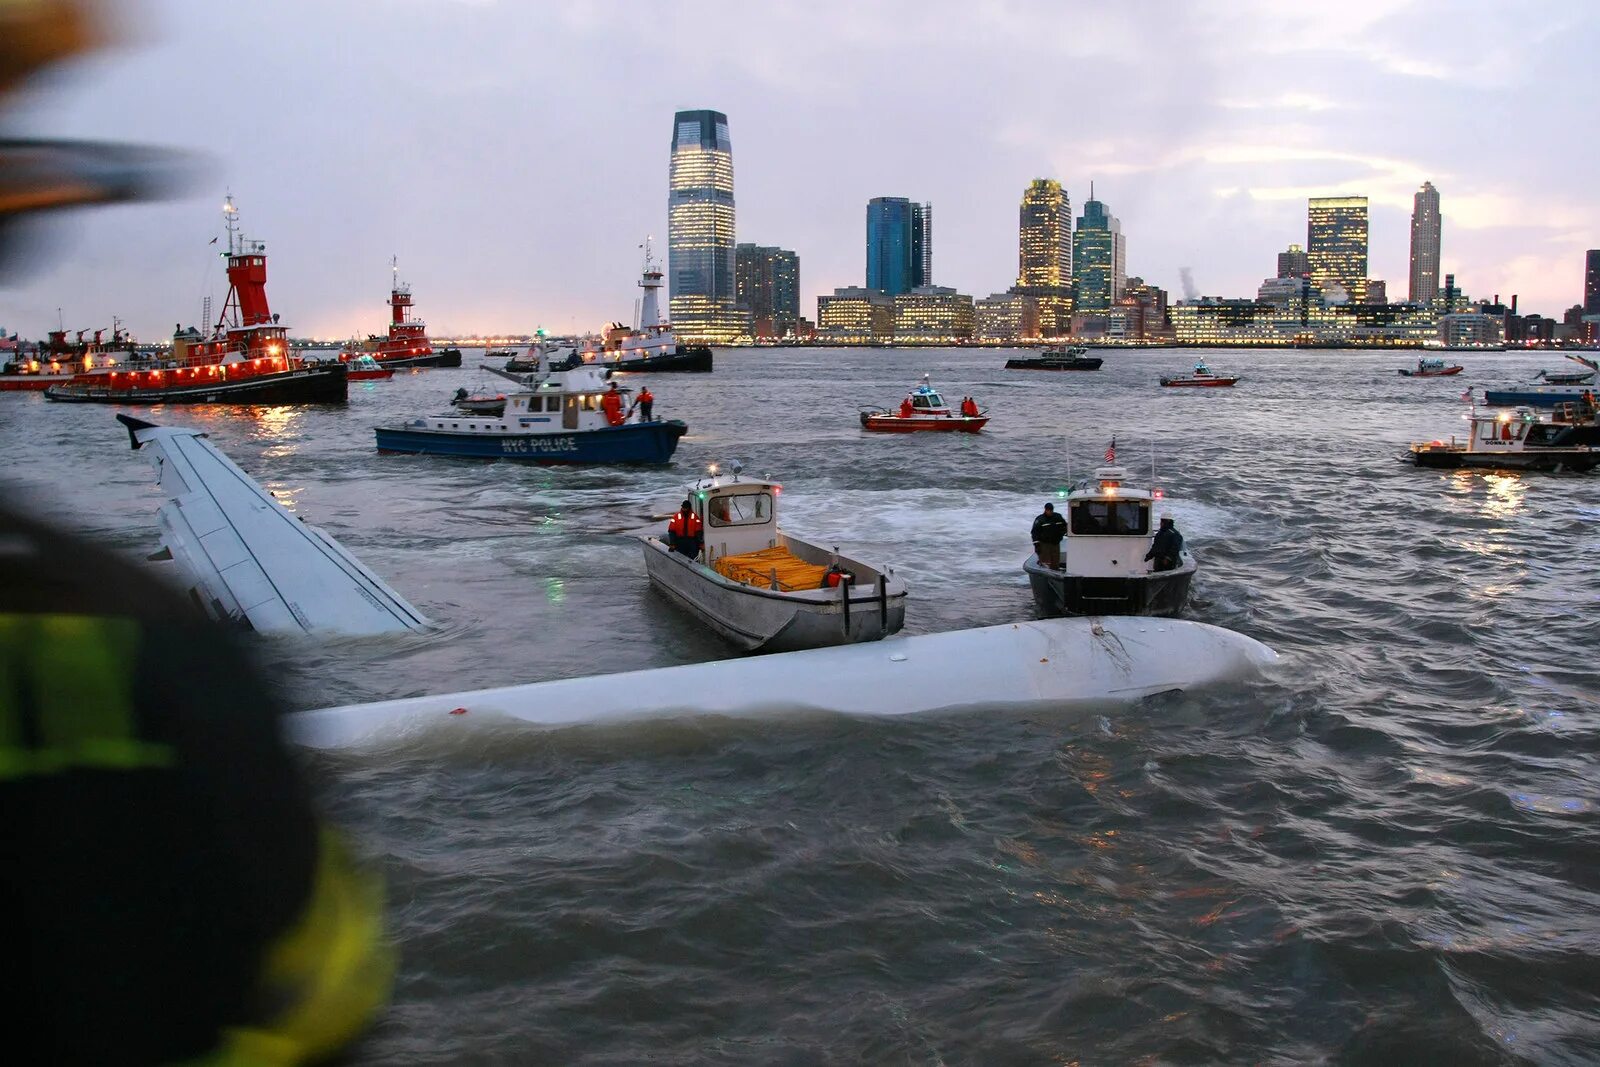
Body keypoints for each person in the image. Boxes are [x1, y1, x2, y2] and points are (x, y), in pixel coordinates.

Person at [1031, 501, 1067, 569]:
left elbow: (1064, 526)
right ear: (1045, 509)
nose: (1050, 512)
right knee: (1046, 563)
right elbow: (1034, 532)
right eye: (1048, 510)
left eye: (1051, 510)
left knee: (1055, 562)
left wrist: (1061, 534)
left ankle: (1055, 571)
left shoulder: (1058, 517)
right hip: (1044, 544)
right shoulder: (1040, 519)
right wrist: (1036, 545)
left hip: (1055, 543)